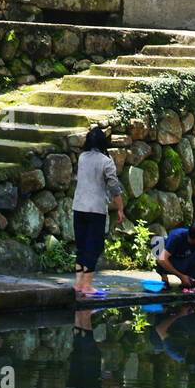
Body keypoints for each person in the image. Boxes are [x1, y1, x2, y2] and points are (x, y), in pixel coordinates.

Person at [72, 123, 124, 298]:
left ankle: (78, 284)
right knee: (93, 247)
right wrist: (120, 208)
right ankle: (87, 286)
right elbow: (114, 187)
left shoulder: (82, 158)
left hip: (79, 207)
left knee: (81, 247)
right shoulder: (106, 162)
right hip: (95, 210)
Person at [156, 220, 195, 292]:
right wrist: (181, 276)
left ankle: (190, 281)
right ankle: (164, 279)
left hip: (185, 262)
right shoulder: (177, 236)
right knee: (158, 242)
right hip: (171, 263)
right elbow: (161, 260)